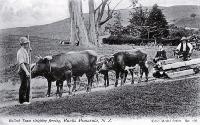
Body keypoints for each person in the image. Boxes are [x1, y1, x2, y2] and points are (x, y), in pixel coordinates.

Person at [17, 37, 31, 104]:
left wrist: (29, 51)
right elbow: (21, 63)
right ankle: (22, 101)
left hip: (26, 68)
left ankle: (27, 100)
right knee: (24, 85)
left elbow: (26, 59)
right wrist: (26, 71)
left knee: (27, 85)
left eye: (27, 43)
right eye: (26, 43)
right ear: (23, 44)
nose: (27, 44)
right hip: (23, 69)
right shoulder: (20, 52)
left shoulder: (24, 50)